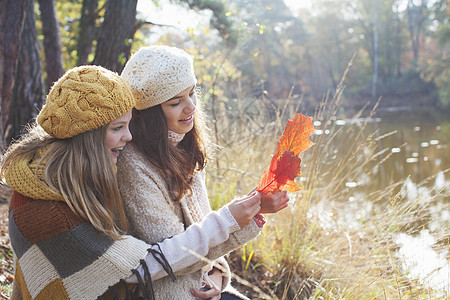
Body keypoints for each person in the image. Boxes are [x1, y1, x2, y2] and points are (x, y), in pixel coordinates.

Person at [0, 65, 266, 300]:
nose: (128, 137)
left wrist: (217, 268)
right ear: (87, 138)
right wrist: (229, 221)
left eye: (128, 125)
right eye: (117, 128)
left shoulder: (82, 178)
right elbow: (143, 266)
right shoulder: (47, 210)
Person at [118, 45, 290, 300]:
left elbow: (201, 227)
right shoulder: (133, 165)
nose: (190, 107)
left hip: (204, 283)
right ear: (149, 113)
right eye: (175, 102)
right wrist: (231, 218)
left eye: (191, 93)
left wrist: (219, 273)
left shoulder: (183, 143)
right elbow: (170, 256)